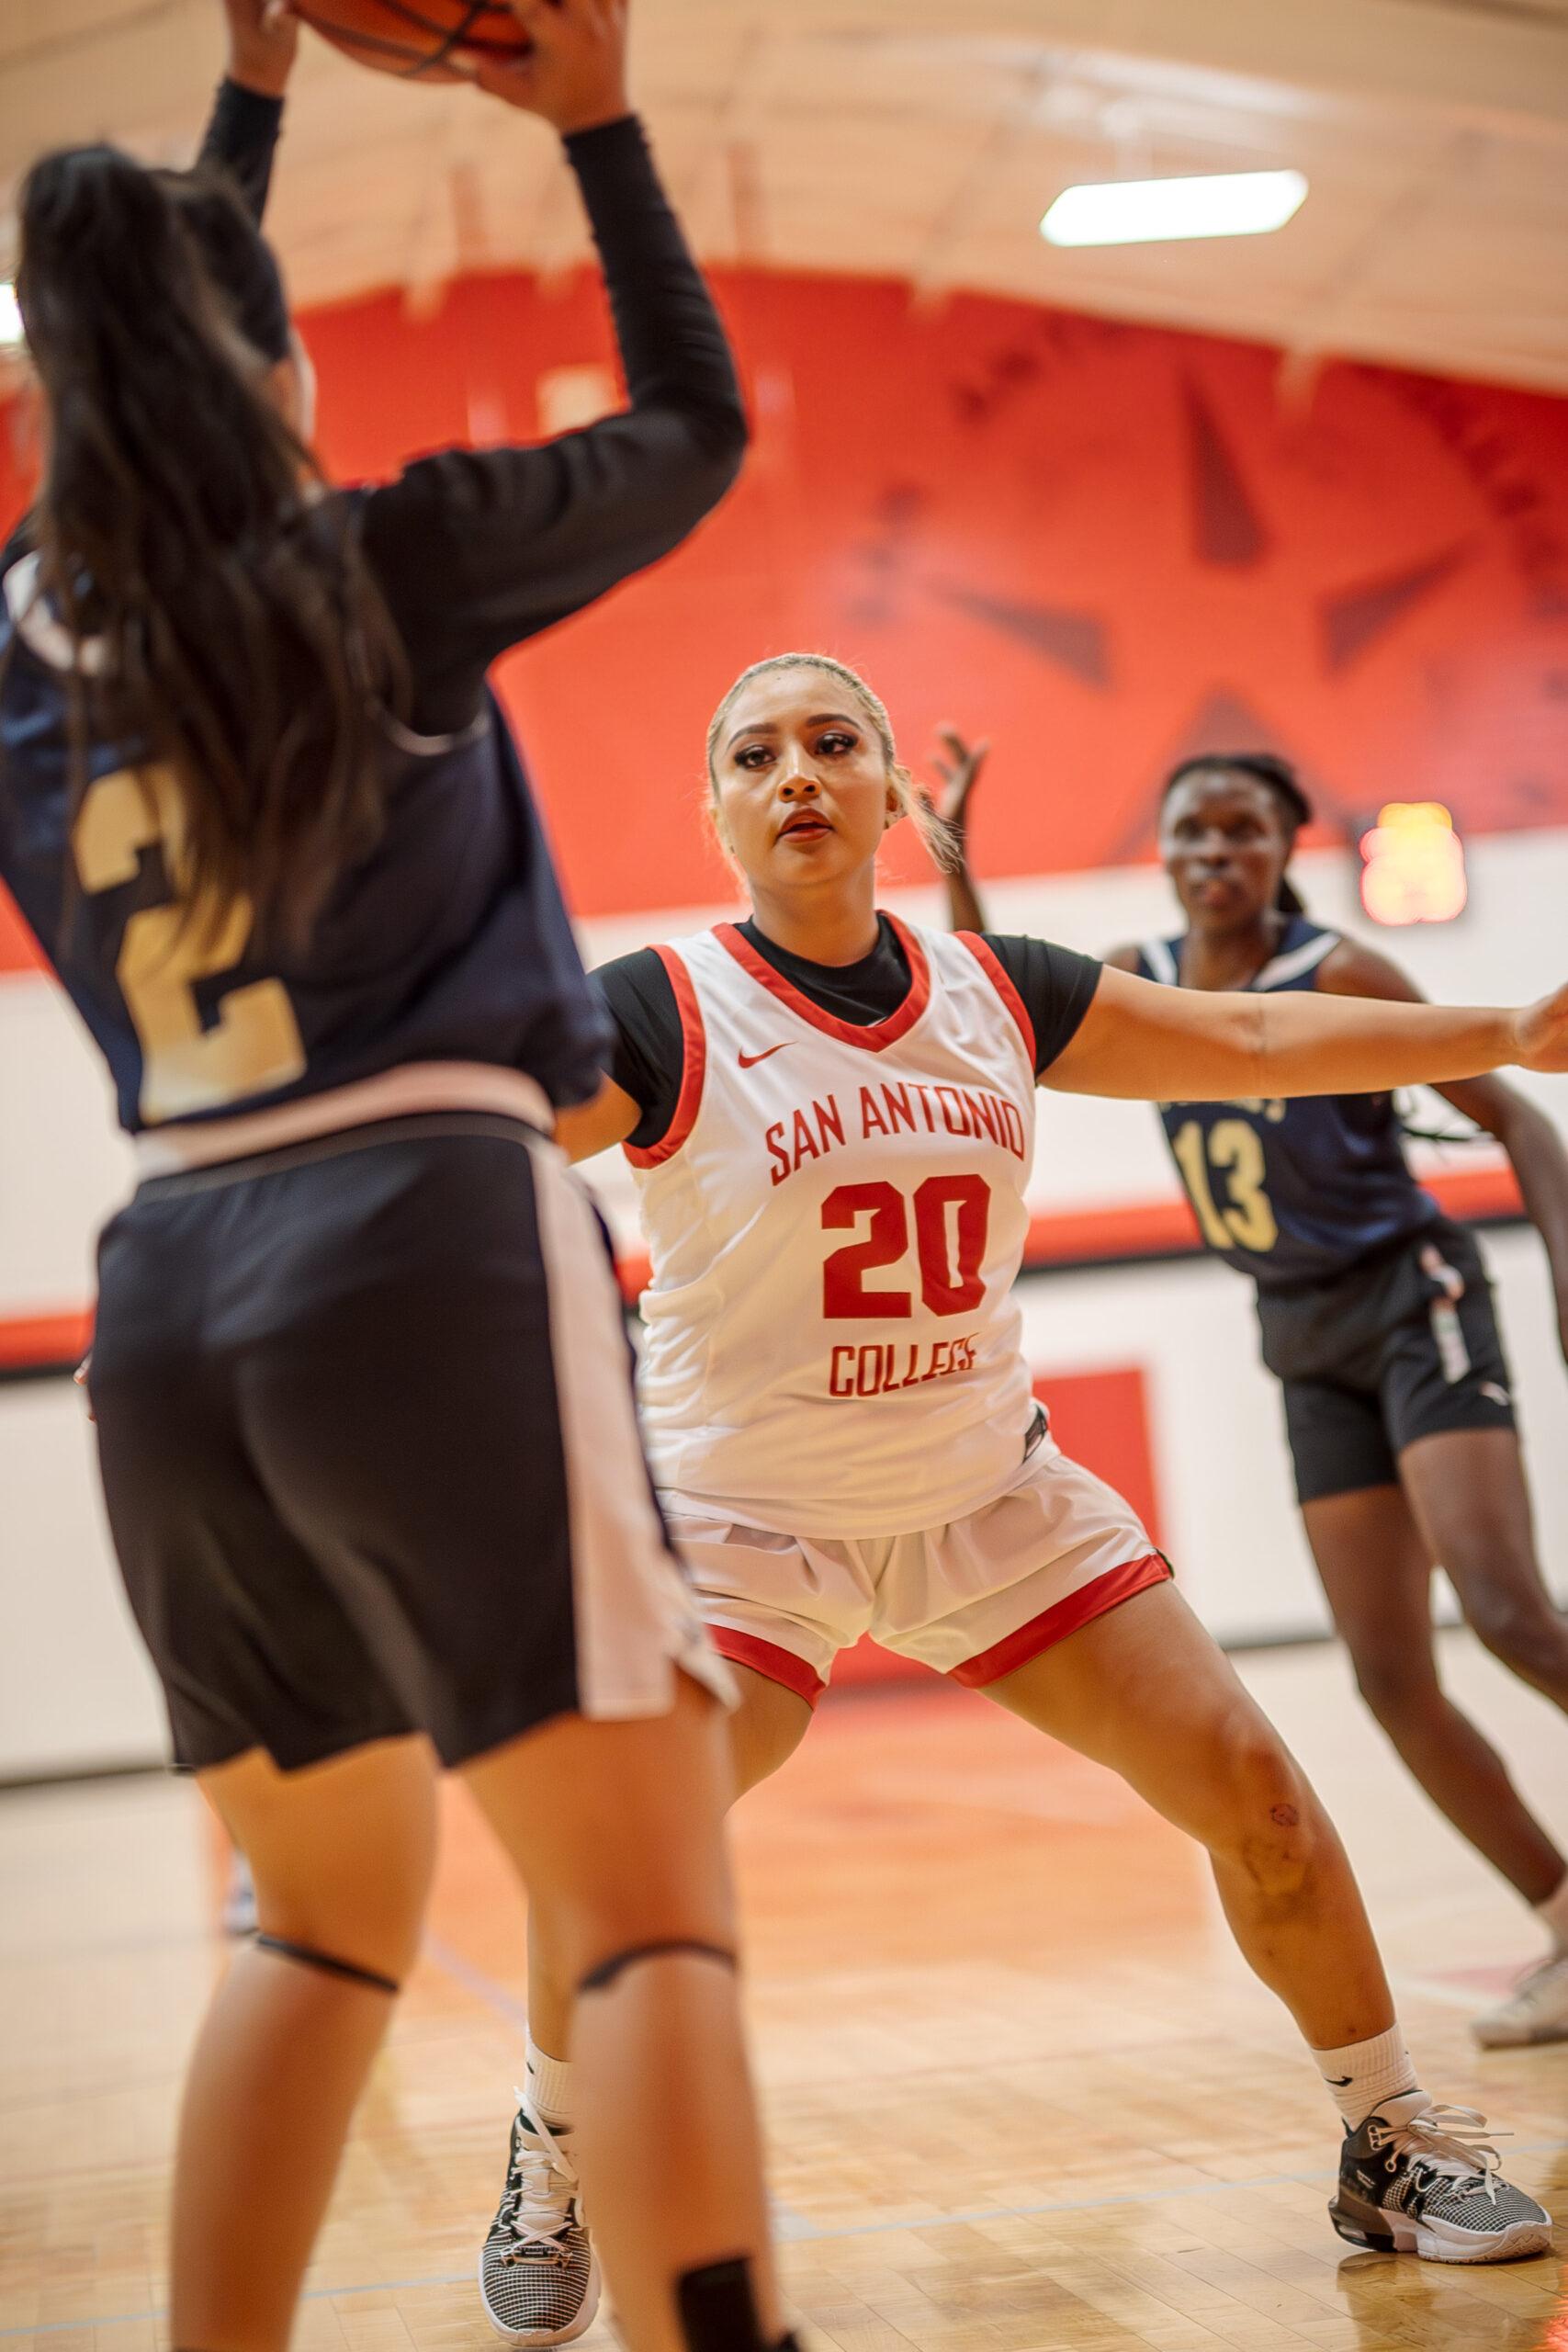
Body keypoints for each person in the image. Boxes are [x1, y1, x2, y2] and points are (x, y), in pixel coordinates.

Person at [0, 3, 797, 2346]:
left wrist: (241, 106)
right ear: (276, 372)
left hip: (166, 1293)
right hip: (424, 1233)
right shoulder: (393, 560)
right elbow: (696, 429)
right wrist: (597, 122)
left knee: (316, 1921)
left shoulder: (28, 651)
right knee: (646, 1912)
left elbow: (149, 388)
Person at [471, 650, 1565, 2342]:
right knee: (626, 1865)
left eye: (837, 742)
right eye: (756, 754)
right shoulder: (661, 1007)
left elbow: (1256, 1033)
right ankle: (552, 2147)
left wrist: (1504, 1026)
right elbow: (475, 1141)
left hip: (987, 1492)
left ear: (897, 790)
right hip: (747, 1522)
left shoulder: (999, 987)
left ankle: (1383, 2136)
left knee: (1259, 1796)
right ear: (718, 814)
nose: (800, 773)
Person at [1093, 751, 1568, 2051]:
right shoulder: (1136, 977)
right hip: (1299, 1334)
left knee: (1512, 1611)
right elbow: (999, 1009)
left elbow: (1518, 1115)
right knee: (1387, 1677)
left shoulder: (1340, 973)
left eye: (1244, 832)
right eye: (1195, 829)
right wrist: (957, 866)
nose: (1216, 853)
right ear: (1168, 846)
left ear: (1282, 849)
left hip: (1412, 1298)